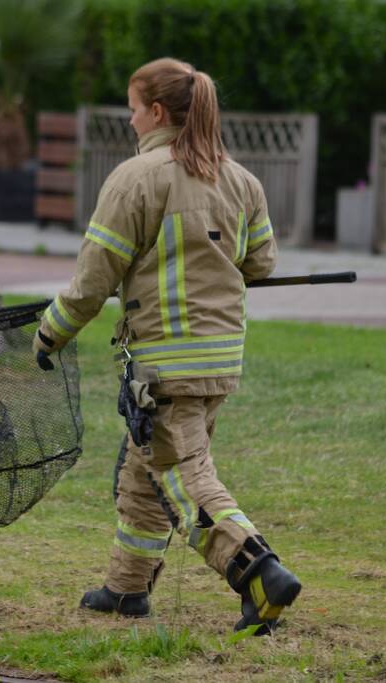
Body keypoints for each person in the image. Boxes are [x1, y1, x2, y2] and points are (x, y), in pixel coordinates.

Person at [32, 57, 300, 635]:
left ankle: (257, 570)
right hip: (220, 360)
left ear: (156, 111)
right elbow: (262, 262)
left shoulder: (135, 178)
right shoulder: (240, 179)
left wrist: (50, 332)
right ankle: (126, 589)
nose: (130, 121)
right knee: (145, 468)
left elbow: (92, 281)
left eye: (132, 109)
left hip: (164, 364)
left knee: (183, 480)